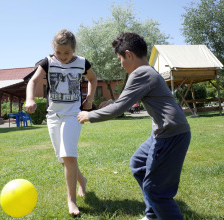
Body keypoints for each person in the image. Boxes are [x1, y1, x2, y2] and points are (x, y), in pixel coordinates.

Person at [77, 32, 191, 220]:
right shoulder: (146, 71)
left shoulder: (140, 72)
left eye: (120, 59)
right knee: (138, 163)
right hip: (163, 132)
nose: (120, 64)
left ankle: (158, 212)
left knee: (156, 190)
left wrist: (89, 115)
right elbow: (125, 99)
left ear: (129, 54)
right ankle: (152, 215)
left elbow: (119, 109)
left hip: (170, 134)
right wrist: (111, 103)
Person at [25, 29, 97, 215]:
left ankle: (71, 201)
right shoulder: (47, 62)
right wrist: (30, 99)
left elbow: (93, 79)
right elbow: (32, 82)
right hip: (53, 116)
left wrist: (89, 98)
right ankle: (82, 180)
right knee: (63, 160)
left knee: (69, 156)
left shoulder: (82, 63)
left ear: (74, 49)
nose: (63, 56)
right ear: (53, 49)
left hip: (73, 114)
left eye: (67, 52)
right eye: (59, 52)